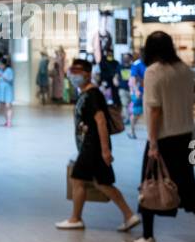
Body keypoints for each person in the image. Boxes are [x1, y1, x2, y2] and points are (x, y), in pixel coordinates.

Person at [124, 31, 195, 242]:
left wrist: (152, 144)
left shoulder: (153, 72)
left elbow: (154, 110)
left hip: (164, 139)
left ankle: (148, 237)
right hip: (190, 136)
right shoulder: (185, 70)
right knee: (188, 186)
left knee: (149, 183)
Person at [57, 58, 140, 232]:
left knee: (78, 179)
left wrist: (105, 150)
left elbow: (101, 122)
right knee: (103, 183)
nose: (74, 76)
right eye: (72, 72)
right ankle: (129, 215)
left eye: (78, 72)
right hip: (90, 146)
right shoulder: (84, 93)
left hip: (93, 146)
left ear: (87, 74)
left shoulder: (93, 94)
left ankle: (75, 219)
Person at [0, 54, 15, 126]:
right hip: (1, 90)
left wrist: (2, 76)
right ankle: (7, 120)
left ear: (5, 64)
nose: (0, 66)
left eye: (1, 65)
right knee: (2, 106)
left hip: (8, 90)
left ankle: (9, 121)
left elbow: (10, 79)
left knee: (8, 106)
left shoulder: (9, 70)